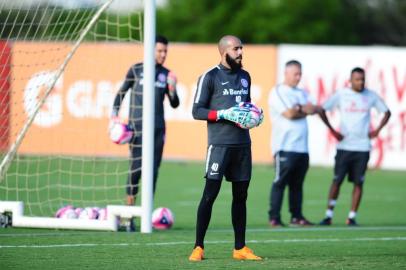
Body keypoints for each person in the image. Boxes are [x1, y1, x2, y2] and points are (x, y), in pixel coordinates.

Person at [188, 35, 262, 261]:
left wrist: (253, 116)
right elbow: (196, 111)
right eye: (237, 49)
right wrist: (221, 114)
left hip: (242, 145)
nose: (241, 52)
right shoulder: (209, 77)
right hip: (219, 146)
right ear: (224, 51)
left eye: (242, 48)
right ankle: (198, 247)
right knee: (210, 195)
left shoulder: (245, 76)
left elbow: (245, 107)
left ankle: (240, 248)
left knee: (241, 196)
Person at [111, 35, 180, 230]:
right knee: (136, 169)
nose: (163, 54)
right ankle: (128, 216)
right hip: (137, 129)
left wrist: (173, 89)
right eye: (160, 50)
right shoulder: (136, 69)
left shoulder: (167, 74)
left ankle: (145, 216)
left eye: (165, 51)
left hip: (158, 130)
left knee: (153, 173)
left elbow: (175, 104)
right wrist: (115, 116)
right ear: (151, 50)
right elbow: (121, 93)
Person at [319, 67, 391, 226]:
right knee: (337, 180)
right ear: (350, 80)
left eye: (363, 79)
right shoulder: (342, 94)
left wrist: (377, 130)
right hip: (344, 146)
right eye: (357, 79)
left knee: (359, 183)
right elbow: (322, 110)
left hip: (363, 147)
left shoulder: (370, 95)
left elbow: (387, 112)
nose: (361, 82)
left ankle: (351, 217)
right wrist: (333, 131)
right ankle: (328, 215)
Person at [268, 60, 320, 227]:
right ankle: (274, 217)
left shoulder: (302, 92)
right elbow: (289, 114)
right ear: (286, 73)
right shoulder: (277, 92)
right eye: (295, 74)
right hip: (284, 146)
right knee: (280, 182)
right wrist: (302, 110)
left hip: (302, 147)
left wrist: (300, 108)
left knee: (297, 184)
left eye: (300, 74)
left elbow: (314, 108)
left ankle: (296, 216)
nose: (298, 77)